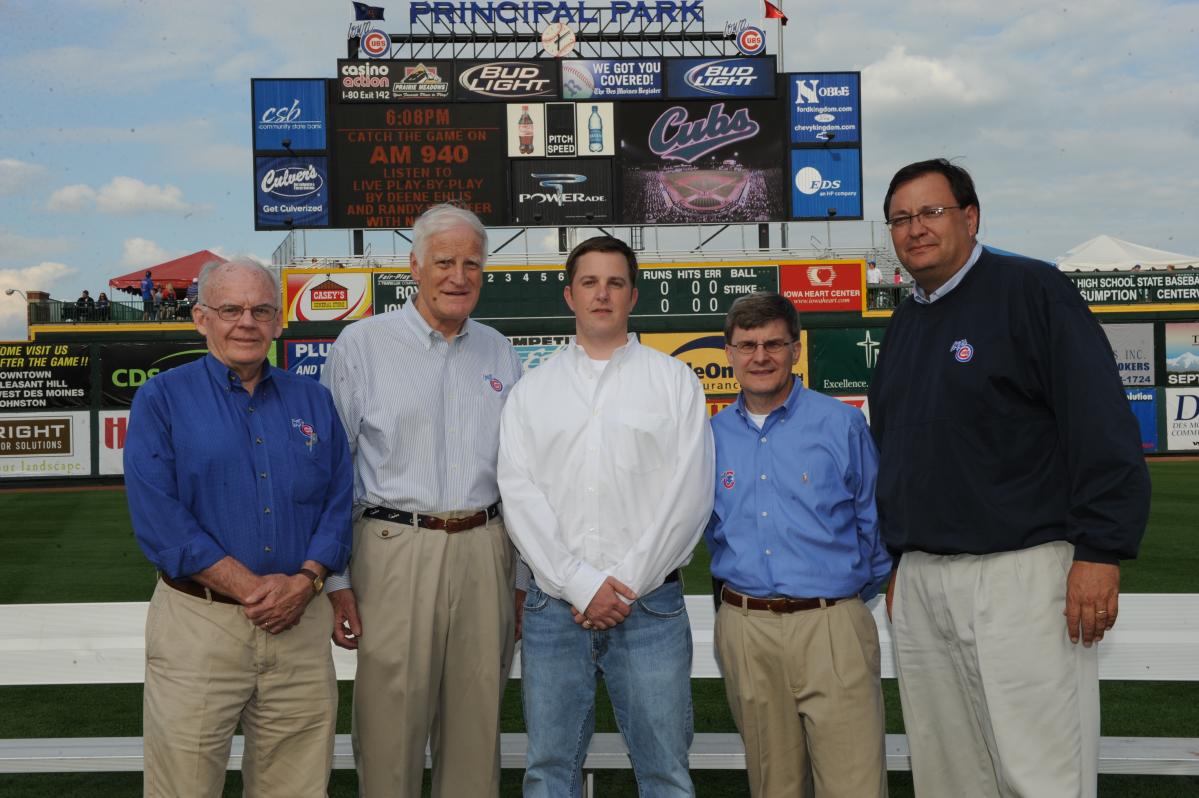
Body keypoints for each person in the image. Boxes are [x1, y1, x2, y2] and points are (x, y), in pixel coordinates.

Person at [868, 158, 1151, 797]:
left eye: (931, 212)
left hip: (1020, 577)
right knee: (949, 779)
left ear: (970, 217)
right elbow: (900, 451)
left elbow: (1101, 425)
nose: (915, 229)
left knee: (1040, 775)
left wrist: (1101, 550)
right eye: (901, 219)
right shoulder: (907, 319)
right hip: (923, 580)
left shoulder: (1031, 290)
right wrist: (899, 562)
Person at [123, 258, 352, 797]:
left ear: (278, 322)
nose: (246, 322)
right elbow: (160, 522)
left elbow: (340, 502)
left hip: (298, 624)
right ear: (202, 318)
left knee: (296, 788)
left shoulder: (313, 400)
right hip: (201, 626)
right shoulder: (162, 399)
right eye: (231, 309)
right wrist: (255, 591)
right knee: (184, 787)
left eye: (261, 309)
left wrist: (305, 581)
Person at [498, 235, 715, 798]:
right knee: (549, 769)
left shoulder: (674, 383)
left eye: (615, 282)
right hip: (554, 609)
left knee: (665, 770)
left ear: (633, 295)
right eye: (590, 283)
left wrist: (621, 586)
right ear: (570, 295)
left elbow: (689, 496)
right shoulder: (532, 391)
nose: (602, 294)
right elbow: (519, 497)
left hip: (649, 606)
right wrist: (580, 584)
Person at [321, 204, 523, 797]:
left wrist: (523, 574)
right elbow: (333, 471)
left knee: (477, 728)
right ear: (414, 266)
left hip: (487, 548)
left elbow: (518, 475)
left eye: (472, 264)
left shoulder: (499, 350)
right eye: (444, 262)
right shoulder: (362, 344)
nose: (459, 276)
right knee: (390, 731)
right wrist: (336, 581)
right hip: (393, 548)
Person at [706, 292, 891, 797]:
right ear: (728, 352)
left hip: (831, 624)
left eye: (773, 344)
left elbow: (873, 525)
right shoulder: (711, 435)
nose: (760, 357)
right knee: (774, 787)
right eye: (747, 345)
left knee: (854, 784)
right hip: (747, 630)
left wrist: (840, 595)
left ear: (795, 349)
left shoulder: (841, 423)